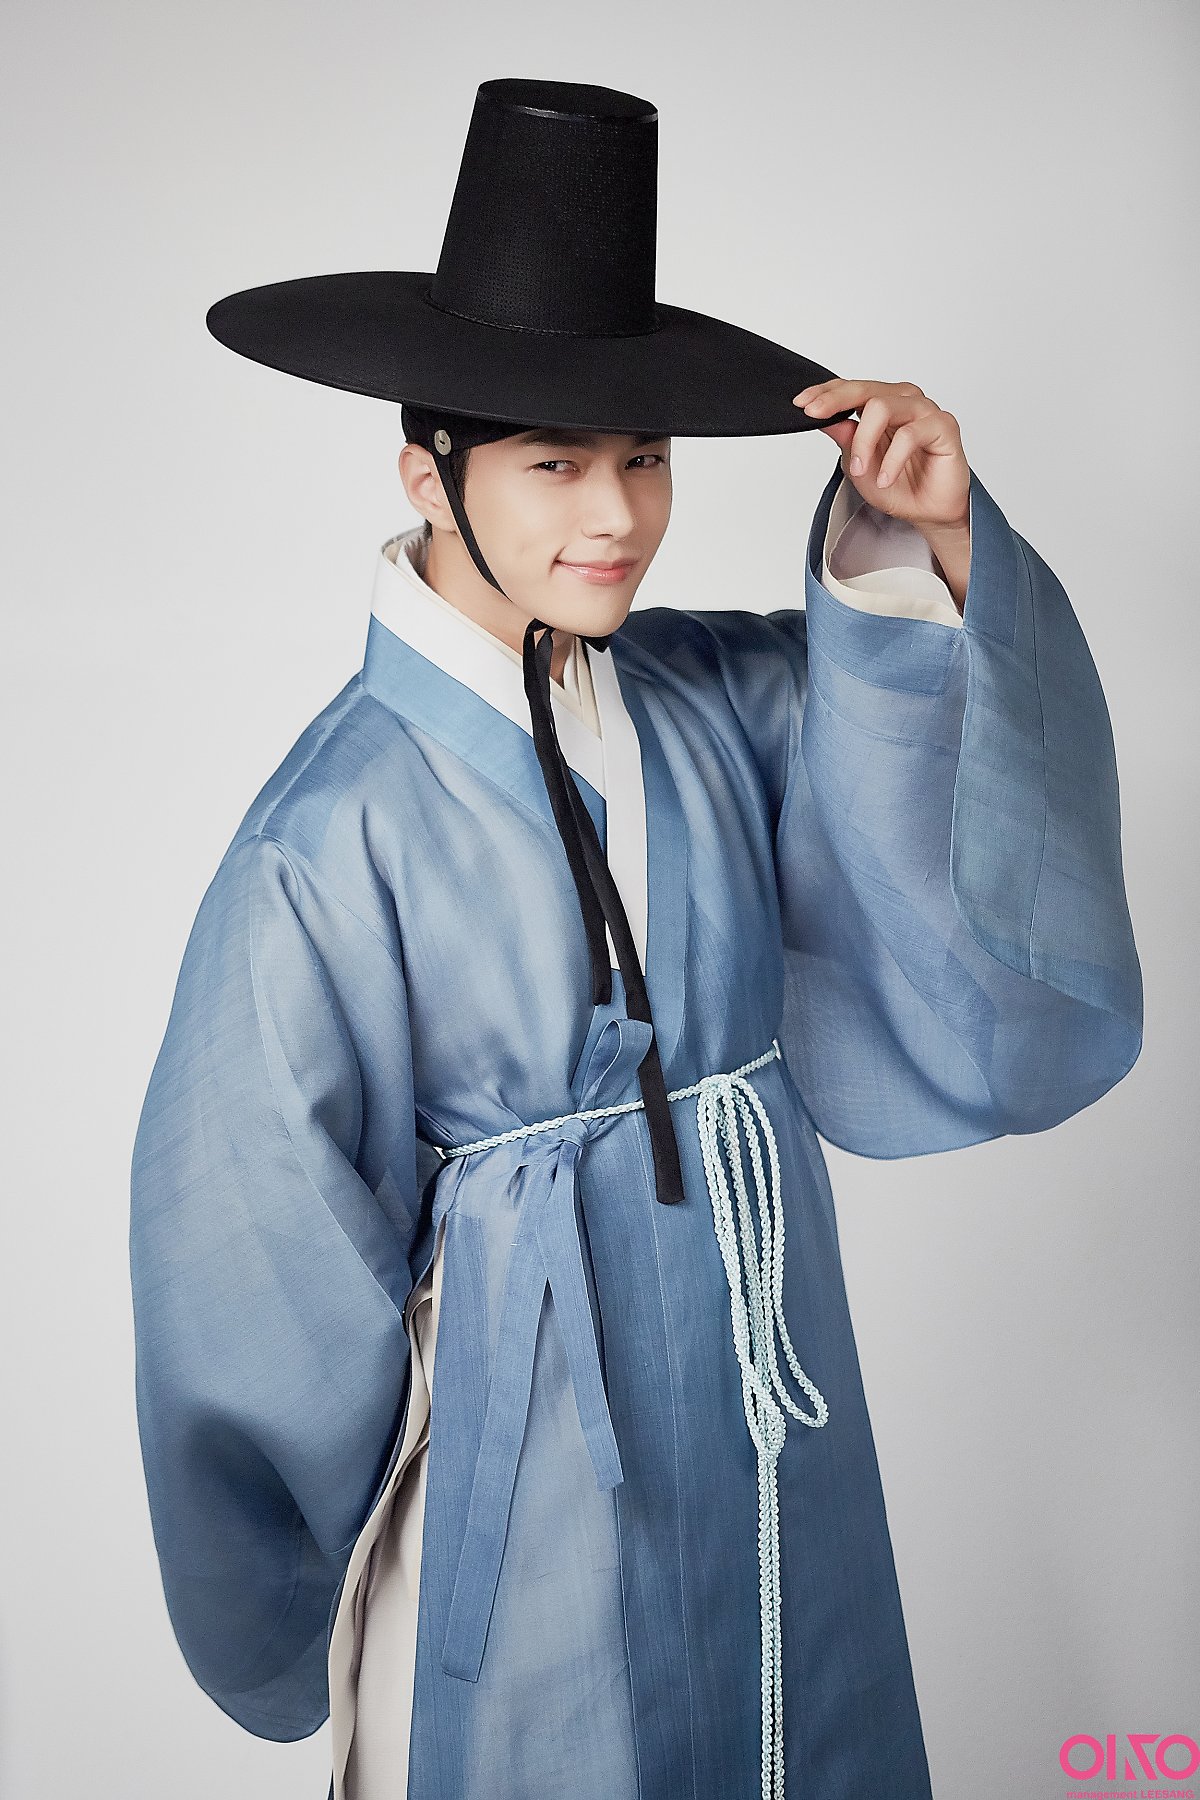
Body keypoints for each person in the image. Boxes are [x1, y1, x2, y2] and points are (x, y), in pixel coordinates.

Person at [128, 78, 1143, 1800]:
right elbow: (249, 1243)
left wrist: (923, 538)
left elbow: (902, 756)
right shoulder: (332, 829)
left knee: (801, 1712)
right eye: (553, 463)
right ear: (427, 472)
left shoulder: (696, 696)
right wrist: (288, 1582)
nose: (615, 517)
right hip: (529, 1427)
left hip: (765, 1367)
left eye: (645, 459)